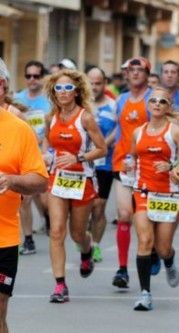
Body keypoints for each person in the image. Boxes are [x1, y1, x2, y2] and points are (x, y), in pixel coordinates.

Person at [43, 69, 107, 303]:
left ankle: (86, 250)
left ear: (76, 91)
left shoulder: (85, 118)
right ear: (53, 91)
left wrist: (78, 158)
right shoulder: (51, 117)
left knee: (77, 233)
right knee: (56, 231)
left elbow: (102, 149)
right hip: (58, 179)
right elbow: (47, 142)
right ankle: (60, 285)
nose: (63, 92)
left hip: (82, 179)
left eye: (68, 88)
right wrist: (46, 154)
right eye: (58, 88)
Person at [0, 62, 48, 333]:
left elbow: (40, 181)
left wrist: (11, 180)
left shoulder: (19, 129)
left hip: (3, 238)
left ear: (2, 86)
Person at [129, 87, 179, 311]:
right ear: (148, 105)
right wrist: (128, 163)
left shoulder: (175, 131)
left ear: (168, 106)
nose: (158, 104)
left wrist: (172, 166)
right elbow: (132, 155)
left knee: (162, 248)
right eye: (153, 100)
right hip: (142, 191)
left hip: (168, 194)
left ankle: (169, 260)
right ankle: (145, 294)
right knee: (144, 242)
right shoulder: (138, 132)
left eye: (163, 101)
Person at [111, 57, 153, 289]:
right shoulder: (121, 100)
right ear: (126, 75)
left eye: (140, 70)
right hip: (123, 165)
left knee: (147, 219)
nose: (135, 73)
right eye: (131, 70)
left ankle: (155, 251)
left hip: (147, 167)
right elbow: (119, 132)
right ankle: (123, 269)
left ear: (147, 73)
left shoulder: (153, 99)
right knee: (125, 215)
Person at [15, 60, 52, 253]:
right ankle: (28, 239)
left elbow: (52, 128)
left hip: (44, 154)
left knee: (43, 199)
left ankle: (47, 217)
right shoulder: (18, 98)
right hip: (24, 154)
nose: (32, 80)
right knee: (25, 197)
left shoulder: (49, 100)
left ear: (42, 77)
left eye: (36, 76)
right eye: (28, 76)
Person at [86, 67, 117, 262]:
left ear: (104, 84)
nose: (94, 87)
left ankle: (95, 245)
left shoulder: (113, 106)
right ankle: (84, 236)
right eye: (91, 83)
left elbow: (118, 130)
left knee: (99, 207)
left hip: (104, 163)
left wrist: (101, 146)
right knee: (85, 207)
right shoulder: (80, 105)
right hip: (83, 164)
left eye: (98, 83)